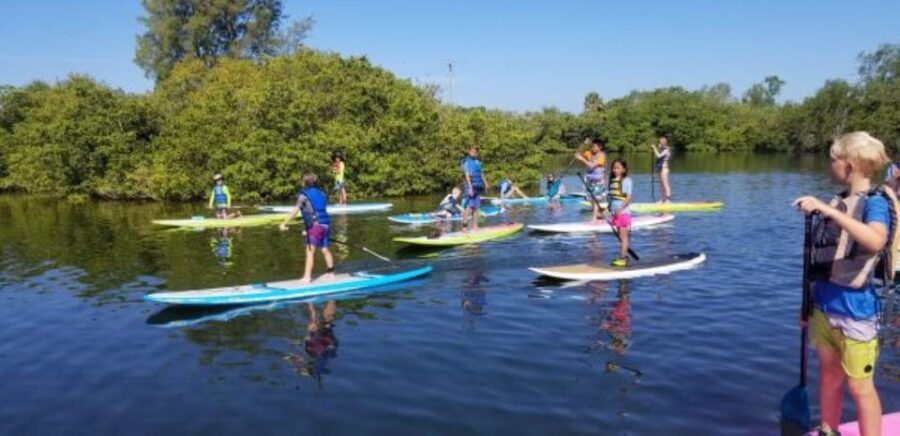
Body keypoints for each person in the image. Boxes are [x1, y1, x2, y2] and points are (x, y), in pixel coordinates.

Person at [793, 131, 899, 436]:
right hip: (824, 305)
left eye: (833, 161)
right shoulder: (839, 201)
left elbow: (876, 240)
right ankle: (829, 429)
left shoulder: (875, 202)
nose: (830, 167)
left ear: (849, 165)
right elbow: (821, 262)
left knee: (859, 385)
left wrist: (825, 210)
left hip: (856, 310)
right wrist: (806, 306)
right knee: (829, 375)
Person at [280, 173, 335, 284]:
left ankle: (307, 277)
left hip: (315, 226)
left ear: (305, 182)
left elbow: (296, 210)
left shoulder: (303, 195)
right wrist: (308, 229)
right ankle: (331, 273)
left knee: (310, 252)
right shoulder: (322, 194)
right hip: (326, 225)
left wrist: (284, 223)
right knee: (325, 249)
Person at [608, 158, 633, 267]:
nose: (615, 170)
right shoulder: (613, 180)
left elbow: (628, 198)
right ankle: (624, 255)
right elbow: (612, 198)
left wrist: (620, 209)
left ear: (624, 169)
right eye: (614, 168)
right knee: (620, 235)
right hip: (615, 212)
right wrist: (608, 208)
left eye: (618, 168)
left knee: (623, 236)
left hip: (622, 212)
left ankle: (623, 258)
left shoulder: (626, 180)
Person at [575, 138, 607, 222]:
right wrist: (584, 144)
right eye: (592, 146)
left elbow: (592, 166)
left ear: (599, 147)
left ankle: (594, 218)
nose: (593, 148)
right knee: (590, 198)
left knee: (596, 198)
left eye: (595, 147)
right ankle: (598, 214)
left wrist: (582, 159)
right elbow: (578, 153)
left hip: (599, 180)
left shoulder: (601, 156)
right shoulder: (588, 153)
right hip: (589, 179)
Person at [461, 145, 491, 231]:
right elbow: (467, 176)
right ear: (469, 151)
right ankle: (464, 227)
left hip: (478, 186)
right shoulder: (467, 162)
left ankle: (475, 226)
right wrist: (470, 188)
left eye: (476, 151)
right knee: (469, 207)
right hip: (470, 186)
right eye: (473, 151)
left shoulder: (478, 162)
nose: (475, 153)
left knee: (476, 207)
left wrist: (486, 184)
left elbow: (481, 174)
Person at [650, 136, 672, 203]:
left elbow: (658, 156)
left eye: (660, 143)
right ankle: (663, 199)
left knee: (665, 184)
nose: (659, 144)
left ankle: (668, 199)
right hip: (661, 169)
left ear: (663, 144)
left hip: (664, 169)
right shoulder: (662, 150)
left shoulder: (666, 150)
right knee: (661, 185)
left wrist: (654, 148)